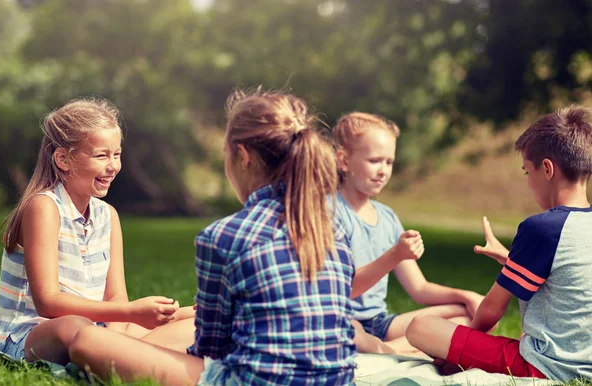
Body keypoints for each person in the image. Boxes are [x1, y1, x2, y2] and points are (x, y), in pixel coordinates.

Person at [68, 89, 357, 385]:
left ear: (242, 157)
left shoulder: (223, 236)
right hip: (338, 379)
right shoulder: (334, 230)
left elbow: (210, 349)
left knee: (89, 340)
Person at [0, 98, 195, 366]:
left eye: (117, 154)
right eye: (102, 155)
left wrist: (128, 319)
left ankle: (118, 354)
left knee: (197, 317)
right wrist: (130, 313)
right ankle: (129, 355)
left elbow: (115, 296)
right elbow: (48, 303)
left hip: (95, 328)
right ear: (63, 159)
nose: (113, 166)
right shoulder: (44, 207)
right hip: (27, 334)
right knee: (74, 327)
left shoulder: (107, 215)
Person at [405, 105, 592, 382]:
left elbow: (493, 309)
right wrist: (510, 260)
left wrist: (458, 348)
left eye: (528, 172)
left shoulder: (542, 228)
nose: (529, 183)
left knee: (420, 327)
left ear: (548, 169)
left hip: (546, 367)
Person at [332, 112, 484, 355]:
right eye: (374, 161)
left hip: (380, 324)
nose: (383, 171)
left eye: (389, 162)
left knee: (466, 317)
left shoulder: (388, 218)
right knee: (348, 331)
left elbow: (419, 288)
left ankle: (386, 350)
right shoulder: (331, 213)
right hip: (342, 319)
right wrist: (395, 255)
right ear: (344, 161)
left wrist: (465, 296)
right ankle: (396, 350)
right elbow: (343, 289)